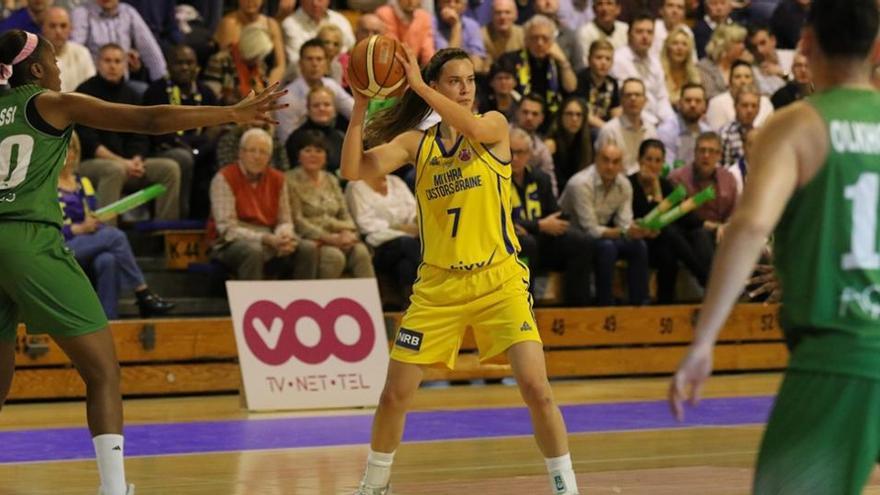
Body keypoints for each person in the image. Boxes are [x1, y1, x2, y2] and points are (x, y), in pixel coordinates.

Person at [0, 29, 284, 495]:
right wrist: (231, 112)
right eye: (53, 60)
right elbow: (150, 120)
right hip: (29, 239)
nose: (58, 68)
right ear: (36, 70)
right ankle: (114, 489)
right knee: (103, 372)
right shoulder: (52, 102)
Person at [341, 47, 580, 495]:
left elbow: (468, 125)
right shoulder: (419, 144)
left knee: (536, 388)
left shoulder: (493, 126)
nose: (466, 88)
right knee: (394, 396)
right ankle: (373, 486)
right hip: (438, 286)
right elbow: (353, 168)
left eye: (470, 80)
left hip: (499, 279)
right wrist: (359, 107)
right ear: (437, 83)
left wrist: (420, 88)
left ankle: (566, 486)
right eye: (455, 80)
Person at [670, 1, 880, 493]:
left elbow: (747, 228)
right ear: (876, 49)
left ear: (804, 44)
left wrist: (704, 341)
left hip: (839, 356)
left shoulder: (795, 126)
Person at [58, 133, 175, 319]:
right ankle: (142, 292)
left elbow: (93, 213)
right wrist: (77, 229)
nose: (69, 154)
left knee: (108, 260)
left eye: (73, 148)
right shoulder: (45, 186)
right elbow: (42, 229)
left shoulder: (83, 182)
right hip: (60, 246)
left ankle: (109, 321)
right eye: (65, 148)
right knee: (116, 236)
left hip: (86, 243)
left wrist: (96, 220)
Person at [208, 128, 318, 281]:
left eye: (263, 152)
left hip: (271, 237)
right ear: (240, 153)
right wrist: (265, 238)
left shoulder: (278, 179)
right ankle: (251, 303)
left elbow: (284, 220)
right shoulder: (224, 178)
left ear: (269, 157)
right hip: (230, 243)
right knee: (253, 250)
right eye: (252, 151)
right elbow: (227, 229)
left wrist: (284, 236)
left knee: (307, 248)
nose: (257, 157)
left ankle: (302, 301)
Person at [560, 141, 650, 306]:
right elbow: (590, 229)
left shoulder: (624, 185)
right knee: (607, 247)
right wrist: (625, 232)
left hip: (600, 234)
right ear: (596, 160)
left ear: (621, 164)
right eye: (605, 160)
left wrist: (638, 230)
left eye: (615, 162)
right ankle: (605, 306)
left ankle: (640, 305)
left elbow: (625, 223)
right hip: (572, 238)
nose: (610, 166)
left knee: (639, 245)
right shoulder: (580, 183)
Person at [510, 127, 593, 306]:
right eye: (510, 152)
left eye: (520, 152)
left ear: (529, 154)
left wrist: (544, 224)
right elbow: (502, 221)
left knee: (581, 241)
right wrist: (539, 225)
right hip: (514, 244)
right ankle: (526, 309)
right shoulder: (496, 181)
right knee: (526, 243)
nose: (514, 157)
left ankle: (577, 309)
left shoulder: (541, 178)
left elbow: (553, 214)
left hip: (542, 240)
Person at [629, 139, 710, 303]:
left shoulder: (666, 185)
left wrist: (712, 226)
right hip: (638, 240)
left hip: (663, 243)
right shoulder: (629, 184)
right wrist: (656, 187)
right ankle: (705, 280)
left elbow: (687, 217)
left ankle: (665, 306)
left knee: (678, 245)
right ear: (639, 160)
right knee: (668, 231)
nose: (653, 165)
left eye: (658, 161)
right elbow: (650, 219)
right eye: (648, 159)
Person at [287, 130, 374, 279]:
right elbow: (297, 220)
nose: (313, 155)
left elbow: (345, 214)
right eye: (307, 150)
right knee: (334, 257)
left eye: (319, 151)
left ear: (326, 156)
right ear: (299, 155)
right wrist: (328, 238)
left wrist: (348, 233)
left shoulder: (331, 180)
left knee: (361, 252)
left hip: (339, 235)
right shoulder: (289, 180)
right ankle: (320, 301)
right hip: (311, 238)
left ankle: (371, 301)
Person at [346, 174, 420, 305]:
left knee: (405, 266)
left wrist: (412, 225)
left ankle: (411, 306)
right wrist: (400, 228)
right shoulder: (356, 186)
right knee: (407, 244)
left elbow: (414, 212)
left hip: (407, 240)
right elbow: (365, 224)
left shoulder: (396, 182)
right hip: (376, 244)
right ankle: (438, 287)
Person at [42, 5, 95, 93]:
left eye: (63, 26)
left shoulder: (82, 52)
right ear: (43, 28)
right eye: (52, 26)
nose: (58, 31)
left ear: (71, 29)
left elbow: (92, 88)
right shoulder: (34, 56)